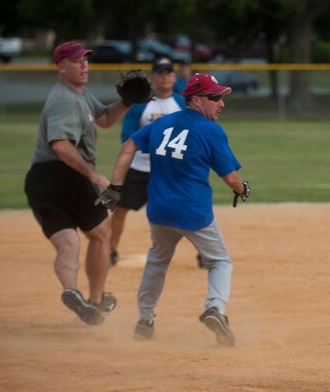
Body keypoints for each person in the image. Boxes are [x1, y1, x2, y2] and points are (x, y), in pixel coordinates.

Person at [99, 72, 250, 345]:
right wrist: (243, 189)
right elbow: (230, 178)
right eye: (214, 97)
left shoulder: (162, 124)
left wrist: (115, 187)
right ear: (195, 100)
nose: (221, 103)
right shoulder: (211, 130)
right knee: (220, 261)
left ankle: (145, 321)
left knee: (156, 263)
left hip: (159, 211)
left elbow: (128, 146)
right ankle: (215, 308)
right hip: (193, 212)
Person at [24, 40, 131, 326]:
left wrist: (127, 102)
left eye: (86, 59)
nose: (84, 65)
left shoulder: (79, 95)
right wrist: (93, 175)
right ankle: (96, 300)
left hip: (39, 180)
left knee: (68, 243)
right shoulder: (64, 99)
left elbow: (105, 119)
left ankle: (72, 292)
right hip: (65, 175)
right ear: (61, 67)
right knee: (101, 234)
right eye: (76, 61)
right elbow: (60, 145)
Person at [109, 56, 186, 266]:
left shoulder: (181, 102)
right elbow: (127, 137)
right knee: (120, 208)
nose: (165, 77)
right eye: (160, 73)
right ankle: (110, 249)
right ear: (152, 77)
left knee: (185, 207)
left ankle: (204, 251)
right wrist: (156, 144)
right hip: (140, 168)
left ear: (174, 76)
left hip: (169, 170)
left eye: (169, 72)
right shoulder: (140, 105)